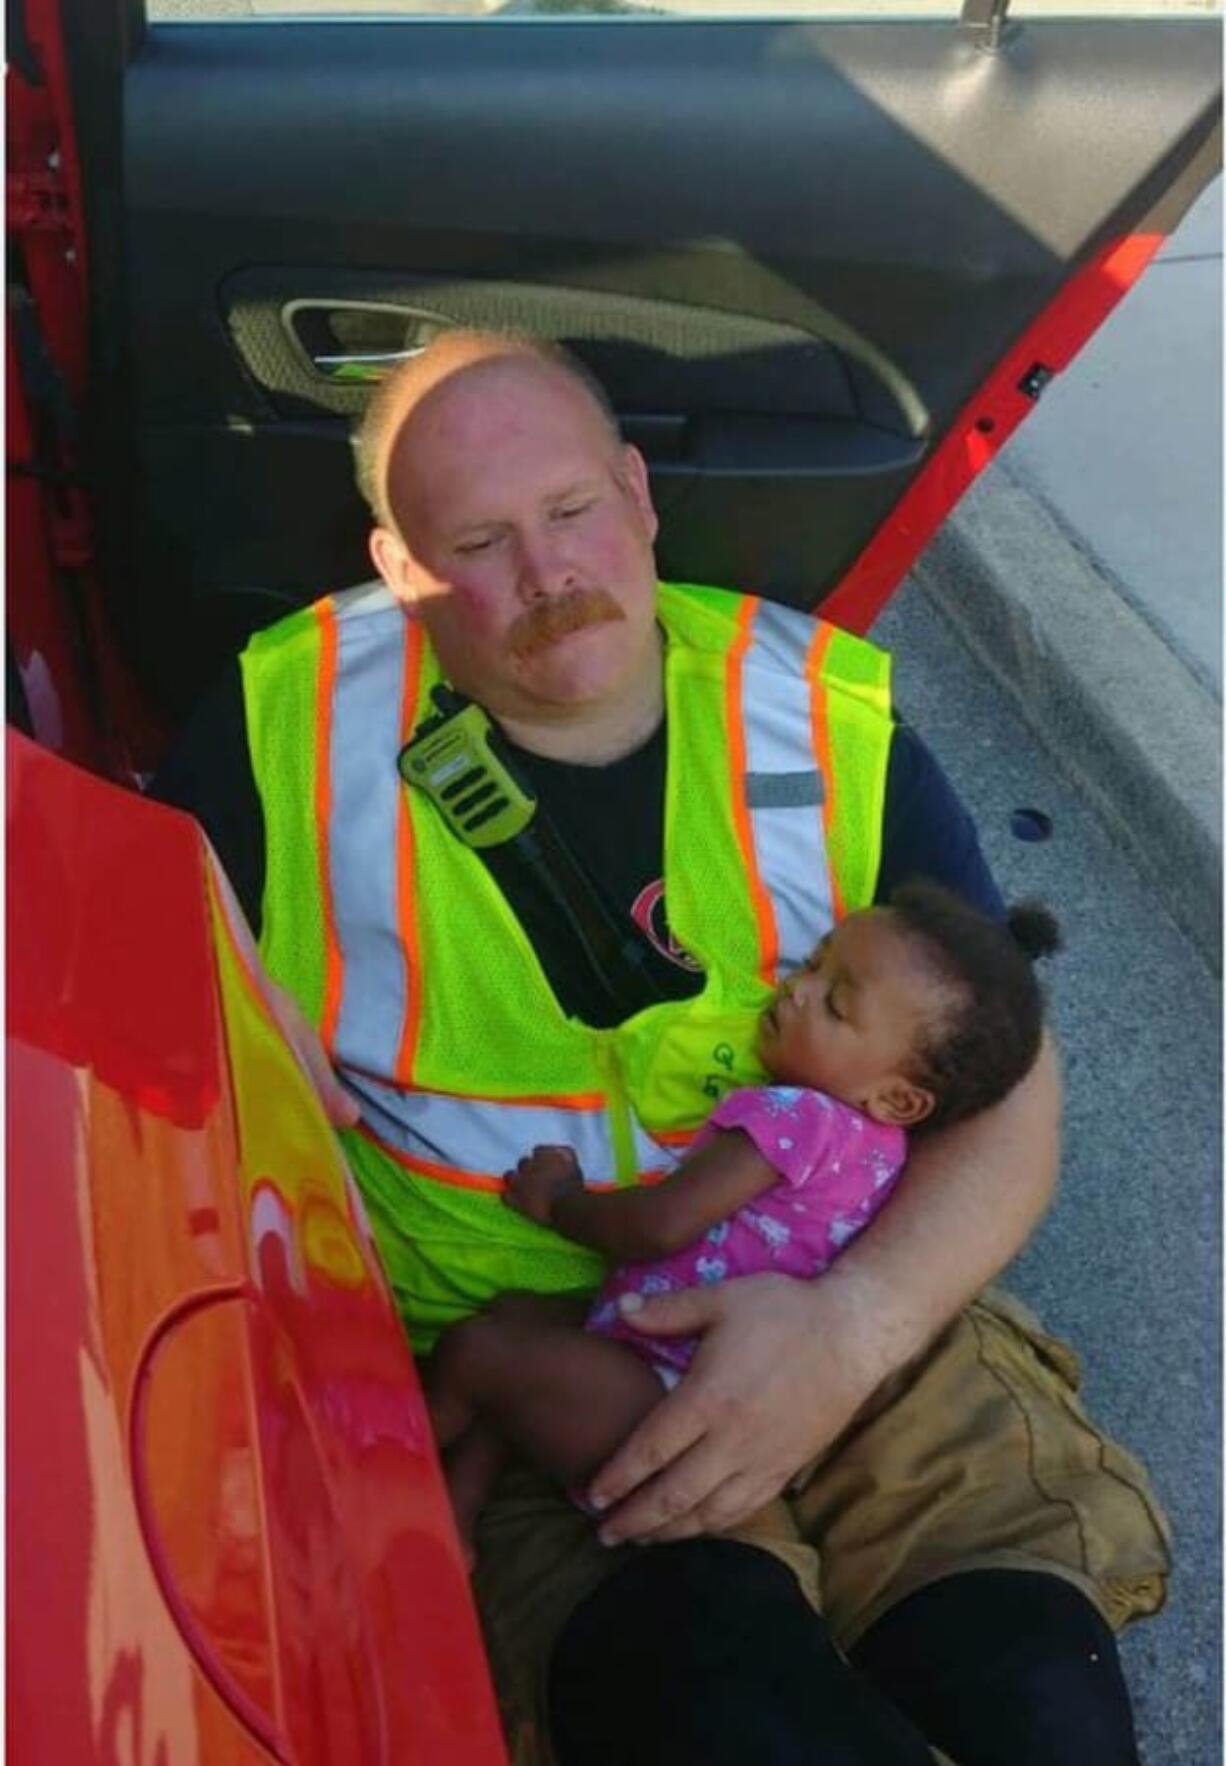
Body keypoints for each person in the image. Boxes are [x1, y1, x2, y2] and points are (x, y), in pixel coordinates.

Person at [153, 329, 1169, 1766]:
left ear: (638, 495)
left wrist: (850, 1332)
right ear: (395, 565)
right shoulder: (278, 734)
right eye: (477, 541)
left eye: (570, 511)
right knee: (728, 1709)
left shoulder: (810, 711)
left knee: (1036, 1698)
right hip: (525, 1365)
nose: (549, 573)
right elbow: (147, 1038)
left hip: (848, 1298)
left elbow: (1007, 1083)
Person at [426, 886, 1062, 1562]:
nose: (797, 991)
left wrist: (561, 1201)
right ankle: (459, 1508)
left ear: (898, 1097)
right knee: (518, 1322)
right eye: (814, 964)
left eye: (836, 1004)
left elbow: (658, 1228)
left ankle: (380, 1474)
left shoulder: (793, 1118)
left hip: (658, 1399)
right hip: (694, 1384)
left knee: (480, 1351)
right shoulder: (882, 1152)